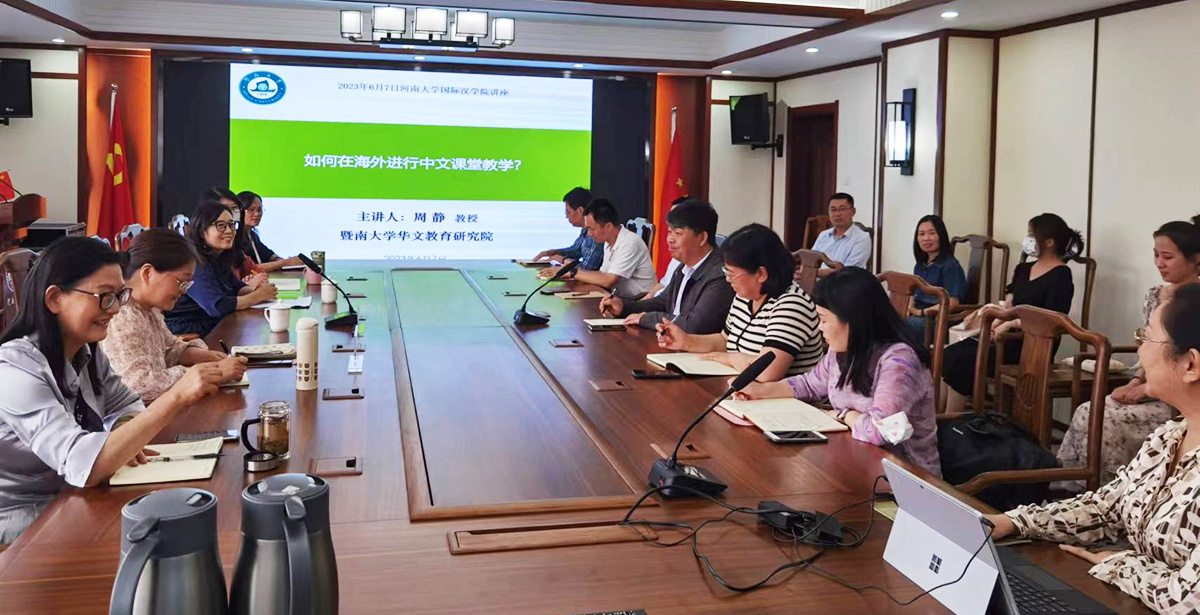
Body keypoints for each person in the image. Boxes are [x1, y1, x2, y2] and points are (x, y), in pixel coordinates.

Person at [984, 283, 1200, 614]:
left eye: (1147, 337)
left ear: (1190, 365)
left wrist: (1120, 564)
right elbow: (1106, 508)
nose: (1141, 352)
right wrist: (1015, 522)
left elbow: (1187, 599)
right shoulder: (1169, 438)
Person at [0, 237, 224, 544]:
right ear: (55, 298)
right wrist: (176, 396)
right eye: (105, 297)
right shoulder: (14, 369)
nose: (116, 309)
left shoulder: (86, 351)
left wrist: (123, 429)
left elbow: (126, 404)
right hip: (25, 517)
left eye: (120, 295)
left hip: (74, 496)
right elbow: (83, 464)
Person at [735, 267, 941, 476]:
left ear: (852, 320)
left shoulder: (899, 361)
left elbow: (881, 431)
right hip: (855, 461)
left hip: (903, 477)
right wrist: (760, 391)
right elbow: (809, 384)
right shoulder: (843, 350)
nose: (819, 327)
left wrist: (843, 415)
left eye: (824, 320)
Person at [1057, 216, 1200, 484]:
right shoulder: (1155, 295)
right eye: (1156, 255)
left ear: (1195, 259)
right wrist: (1136, 381)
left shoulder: (1195, 304)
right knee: (1088, 410)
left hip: (1181, 394)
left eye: (1168, 257)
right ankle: (1074, 486)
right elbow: (1149, 346)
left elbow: (1178, 357)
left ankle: (1115, 486)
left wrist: (1146, 389)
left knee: (1107, 420)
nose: (1159, 263)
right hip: (1151, 378)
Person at [941, 213, 1083, 414]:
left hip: (1032, 343)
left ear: (1049, 242)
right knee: (948, 354)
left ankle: (952, 420)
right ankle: (938, 417)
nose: (1028, 239)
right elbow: (1009, 305)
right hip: (1003, 336)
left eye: (1032, 235)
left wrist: (1009, 324)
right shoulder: (1023, 269)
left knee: (961, 362)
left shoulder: (1061, 275)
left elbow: (1051, 319)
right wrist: (996, 324)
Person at [657, 223, 824, 381]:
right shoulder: (745, 297)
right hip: (747, 389)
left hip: (786, 398)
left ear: (761, 274)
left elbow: (768, 371)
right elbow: (725, 340)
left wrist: (729, 358)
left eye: (731, 273)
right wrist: (686, 341)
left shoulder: (792, 305)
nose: (727, 279)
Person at [101, 229, 248, 402]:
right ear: (147, 273)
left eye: (187, 283)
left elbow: (168, 349)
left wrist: (205, 356)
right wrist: (210, 373)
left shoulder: (148, 308)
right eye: (181, 282)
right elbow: (138, 386)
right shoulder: (123, 316)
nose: (184, 291)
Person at [598, 201, 732, 334]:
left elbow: (694, 326)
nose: (670, 239)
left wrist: (646, 319)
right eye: (669, 232)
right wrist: (623, 307)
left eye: (678, 233)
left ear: (702, 238)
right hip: (669, 339)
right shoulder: (683, 267)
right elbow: (662, 302)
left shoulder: (720, 275)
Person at [164, 201, 278, 337]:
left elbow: (236, 286)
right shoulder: (195, 262)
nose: (229, 231)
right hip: (191, 327)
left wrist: (256, 289)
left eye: (231, 225)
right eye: (221, 226)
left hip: (213, 322)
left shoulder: (218, 256)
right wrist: (258, 296)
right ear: (202, 229)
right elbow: (217, 307)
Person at [544, 198, 657, 298]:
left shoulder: (630, 242)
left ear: (608, 226)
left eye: (592, 229)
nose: (589, 233)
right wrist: (567, 271)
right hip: (620, 299)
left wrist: (572, 272)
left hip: (639, 301)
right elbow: (603, 274)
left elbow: (609, 281)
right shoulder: (608, 242)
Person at [909, 214, 967, 339]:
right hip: (919, 315)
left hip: (938, 319)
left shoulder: (950, 265)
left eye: (932, 233)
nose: (926, 238)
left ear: (941, 235)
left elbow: (952, 303)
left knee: (904, 326)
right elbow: (913, 294)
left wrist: (921, 312)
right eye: (921, 234)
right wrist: (909, 307)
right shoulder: (920, 265)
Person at [533, 187, 602, 272]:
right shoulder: (585, 230)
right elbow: (576, 250)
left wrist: (563, 260)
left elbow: (587, 269)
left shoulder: (595, 233)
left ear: (580, 210)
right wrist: (555, 252)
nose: (566, 216)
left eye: (568, 212)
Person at [236, 191, 304, 273]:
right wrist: (285, 262)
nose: (257, 214)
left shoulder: (252, 235)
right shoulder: (235, 238)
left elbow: (268, 255)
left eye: (259, 210)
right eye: (251, 210)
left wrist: (282, 260)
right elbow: (252, 268)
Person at [810, 193, 871, 272]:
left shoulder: (862, 238)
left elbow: (848, 271)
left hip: (845, 279)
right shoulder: (823, 235)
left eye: (842, 209)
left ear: (853, 211)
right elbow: (811, 260)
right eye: (833, 210)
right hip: (816, 278)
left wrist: (814, 273)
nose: (837, 214)